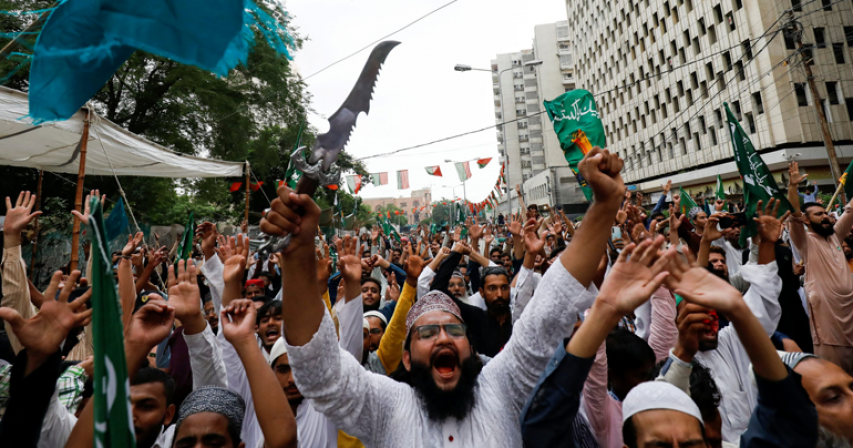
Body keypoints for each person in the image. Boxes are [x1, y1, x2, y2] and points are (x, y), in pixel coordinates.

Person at [260, 147, 623, 446]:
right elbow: (321, 372)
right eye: (428, 333)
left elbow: (550, 307)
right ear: (406, 358)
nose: (444, 338)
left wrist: (605, 205)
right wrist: (297, 255)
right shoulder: (385, 406)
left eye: (454, 330)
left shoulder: (502, 387)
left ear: (472, 350)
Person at [787, 161, 853, 374]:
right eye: (818, 215)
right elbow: (794, 216)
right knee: (836, 376)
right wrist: (793, 187)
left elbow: (850, 210)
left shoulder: (835, 235)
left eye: (825, 213)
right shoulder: (805, 241)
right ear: (806, 220)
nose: (825, 217)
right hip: (828, 323)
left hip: (850, 312)